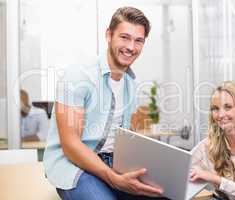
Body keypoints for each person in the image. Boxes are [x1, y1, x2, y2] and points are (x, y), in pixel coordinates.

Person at [43, 7, 168, 200]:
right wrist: (113, 179)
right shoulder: (78, 76)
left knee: (164, 194)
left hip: (115, 162)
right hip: (75, 165)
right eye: (125, 37)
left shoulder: (130, 83)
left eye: (138, 40)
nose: (131, 47)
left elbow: (125, 137)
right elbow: (71, 145)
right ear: (109, 35)